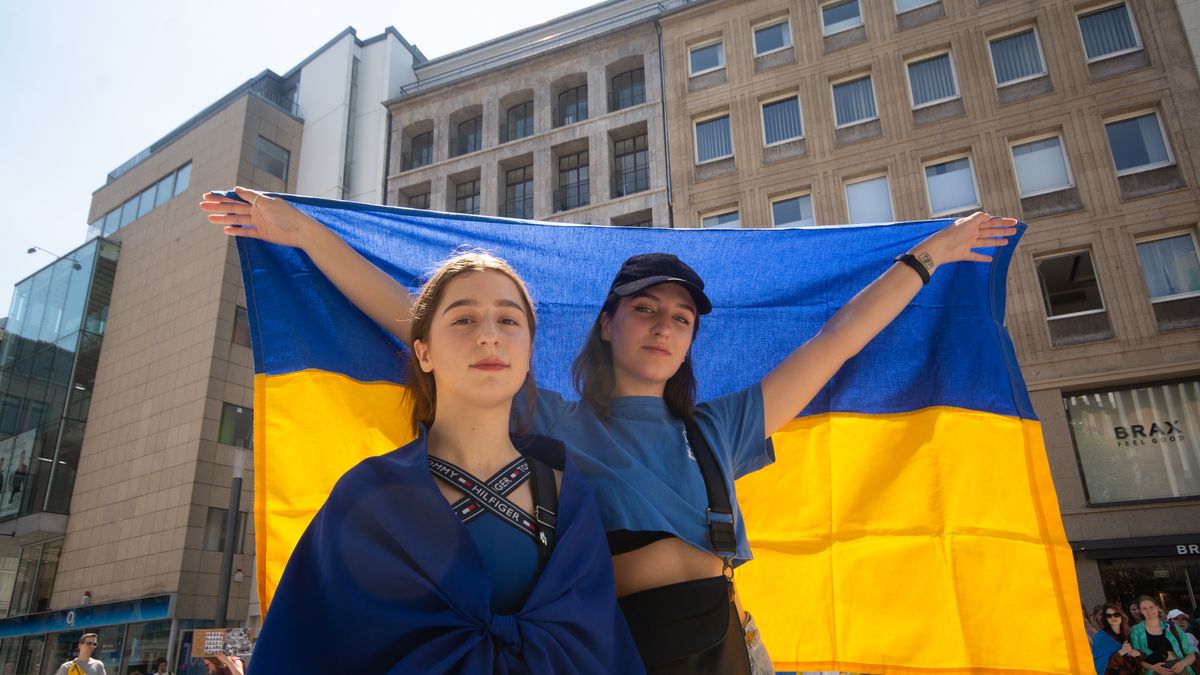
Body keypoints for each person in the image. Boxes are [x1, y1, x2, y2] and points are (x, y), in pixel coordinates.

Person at [203, 188, 1017, 673]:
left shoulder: (717, 429)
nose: (664, 327)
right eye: (645, 310)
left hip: (727, 640)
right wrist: (305, 234)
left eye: (682, 318)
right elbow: (409, 315)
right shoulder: (550, 420)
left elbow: (837, 340)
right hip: (617, 650)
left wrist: (929, 257)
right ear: (606, 324)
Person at [247, 252, 643, 673]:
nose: (489, 336)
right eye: (463, 320)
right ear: (423, 353)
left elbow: (599, 648)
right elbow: (303, 648)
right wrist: (301, 235)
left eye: (509, 321)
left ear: (529, 352)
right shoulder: (366, 495)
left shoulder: (570, 495)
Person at [1130, 595, 1197, 675]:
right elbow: (1137, 660)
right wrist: (1153, 668)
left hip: (1180, 669)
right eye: (1144, 608)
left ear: (1157, 607)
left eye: (1151, 607)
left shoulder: (1172, 627)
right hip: (1156, 671)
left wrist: (1183, 664)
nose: (1149, 611)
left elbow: (1191, 654)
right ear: (1140, 611)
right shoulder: (1136, 631)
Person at [1094, 603, 1142, 674]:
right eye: (1109, 616)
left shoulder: (1128, 632)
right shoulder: (1101, 637)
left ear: (1121, 615)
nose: (1113, 618)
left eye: (1116, 615)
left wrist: (1137, 653)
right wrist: (1121, 652)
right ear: (1105, 619)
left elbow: (1142, 653)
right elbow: (1099, 664)